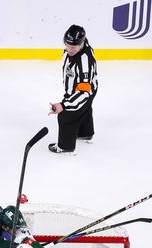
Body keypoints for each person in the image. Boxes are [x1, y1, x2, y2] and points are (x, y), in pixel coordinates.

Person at [48, 24, 99, 154]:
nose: (69, 49)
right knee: (85, 109)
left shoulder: (85, 62)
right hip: (88, 88)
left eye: (73, 47)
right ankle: (84, 133)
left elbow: (83, 93)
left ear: (81, 44)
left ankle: (65, 146)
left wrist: (64, 105)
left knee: (66, 116)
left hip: (84, 91)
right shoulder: (78, 46)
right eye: (67, 45)